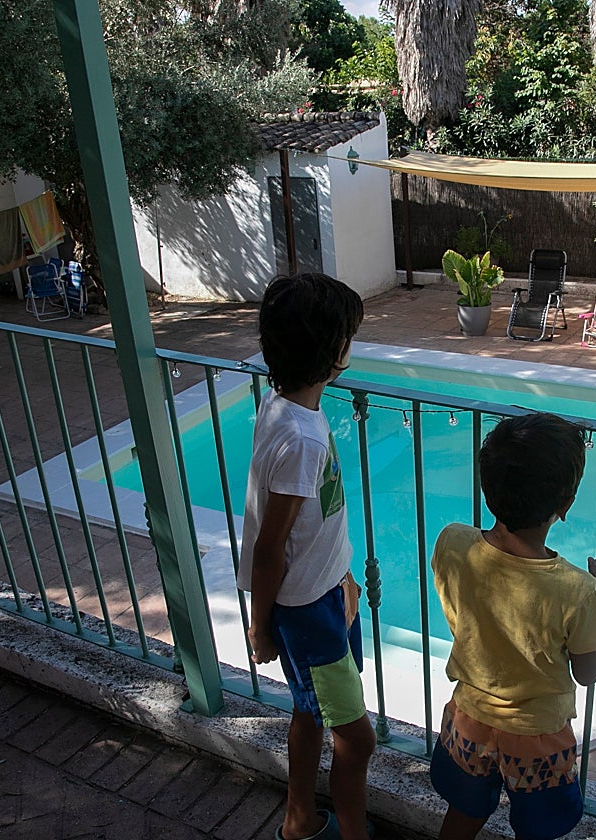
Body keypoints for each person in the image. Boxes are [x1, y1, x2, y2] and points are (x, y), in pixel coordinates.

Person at [430, 412, 596, 840]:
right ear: (563, 507)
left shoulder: (452, 542)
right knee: (540, 827)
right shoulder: (575, 589)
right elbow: (588, 672)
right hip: (537, 739)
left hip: (470, 718)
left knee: (465, 808)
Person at [237, 272, 374, 840]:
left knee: (310, 710)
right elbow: (269, 550)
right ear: (331, 353)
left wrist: (341, 572)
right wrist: (261, 628)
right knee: (357, 738)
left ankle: (298, 819)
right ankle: (352, 834)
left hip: (326, 590)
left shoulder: (285, 408)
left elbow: (304, 530)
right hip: (307, 610)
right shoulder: (304, 440)